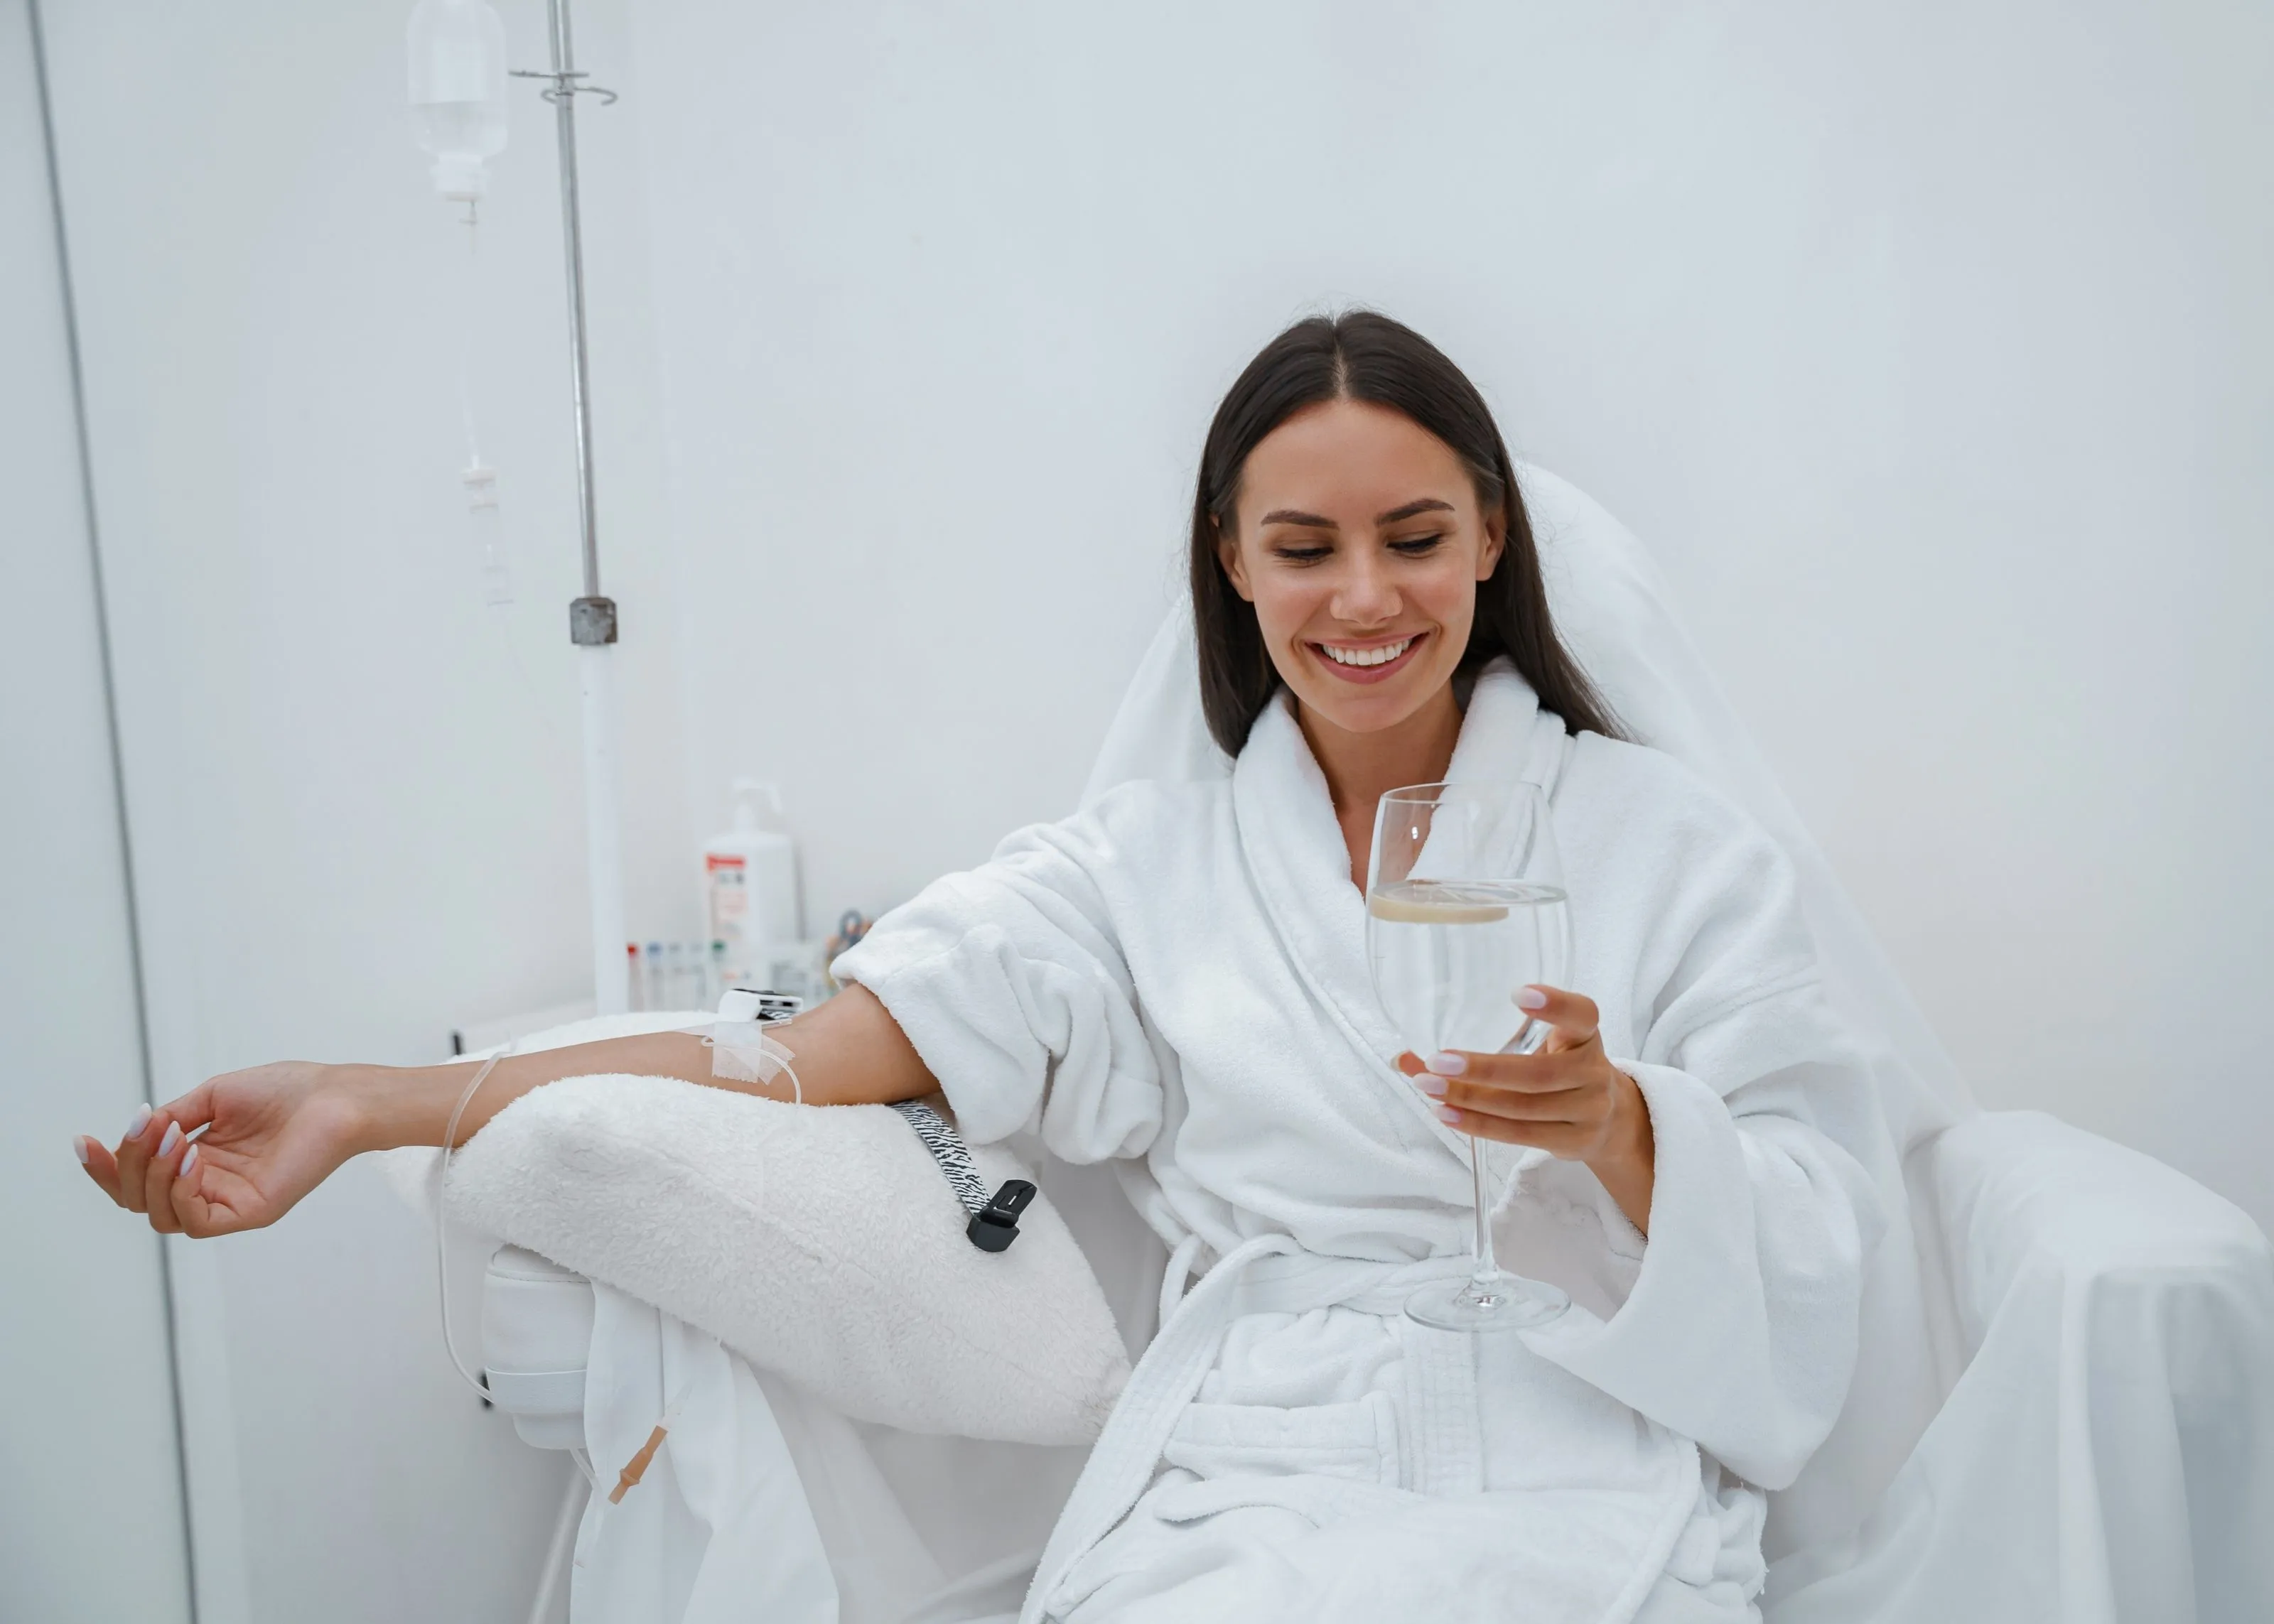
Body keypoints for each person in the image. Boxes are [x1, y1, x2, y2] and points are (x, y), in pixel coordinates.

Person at [81, 311, 1882, 1623]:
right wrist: (375, 1102)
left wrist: (1621, 1130)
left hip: (1574, 1425)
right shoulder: (1145, 870)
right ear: (1228, 563)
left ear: (1491, 541)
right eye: (1302, 546)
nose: (1364, 599)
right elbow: (810, 1051)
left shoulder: (1673, 851)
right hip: (1263, 1449)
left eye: (1414, 540)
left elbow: (1814, 1211)